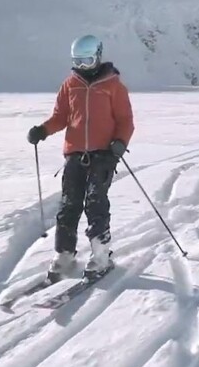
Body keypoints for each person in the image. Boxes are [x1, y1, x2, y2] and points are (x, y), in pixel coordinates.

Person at [27, 35, 135, 280]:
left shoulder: (113, 85)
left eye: (87, 60)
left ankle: (101, 254)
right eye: (78, 61)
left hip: (105, 153)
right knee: (69, 204)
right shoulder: (70, 85)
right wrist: (42, 130)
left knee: (95, 202)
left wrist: (120, 143)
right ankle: (64, 253)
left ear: (98, 56)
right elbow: (60, 117)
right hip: (75, 153)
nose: (82, 66)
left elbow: (125, 120)